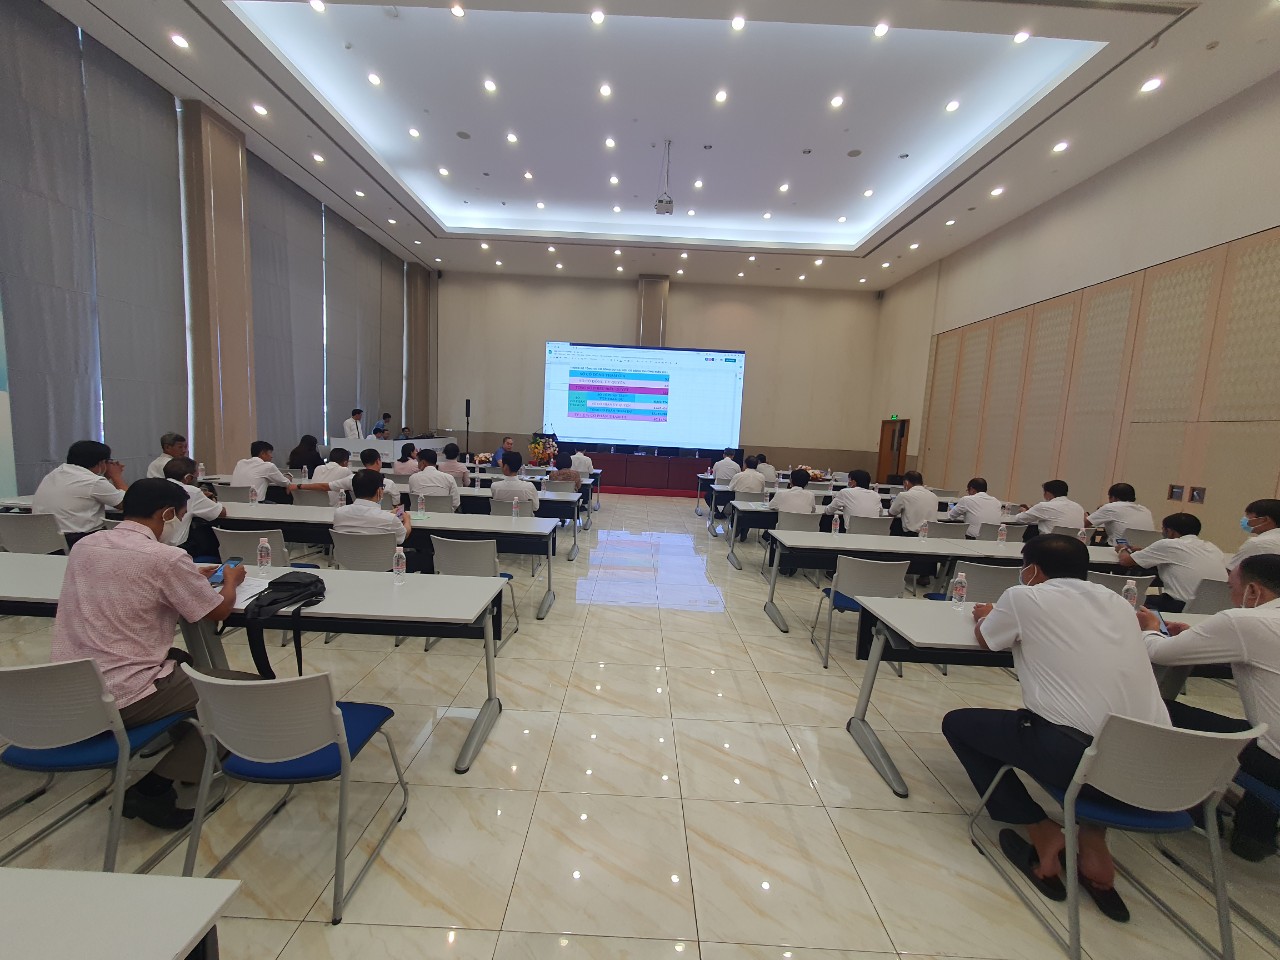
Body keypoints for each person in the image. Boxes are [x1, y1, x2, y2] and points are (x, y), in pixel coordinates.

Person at [942, 535, 1170, 921]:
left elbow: (988, 641)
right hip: (1154, 769)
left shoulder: (1023, 597)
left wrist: (984, 614)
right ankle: (1093, 842)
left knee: (959, 724)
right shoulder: (1117, 602)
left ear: (1032, 570)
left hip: (1075, 754)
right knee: (1104, 731)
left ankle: (1041, 831)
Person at [50, 478, 255, 828]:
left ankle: (190, 745)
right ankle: (155, 789)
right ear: (167, 514)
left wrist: (188, 574)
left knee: (185, 661)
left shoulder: (86, 545)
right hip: (123, 692)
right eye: (182, 516)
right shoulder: (167, 558)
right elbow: (217, 611)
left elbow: (128, 572)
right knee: (246, 694)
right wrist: (231, 581)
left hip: (72, 686)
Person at [1139, 555, 1280, 862]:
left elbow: (1159, 652)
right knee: (1261, 730)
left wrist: (1151, 628)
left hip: (1273, 763)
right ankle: (1254, 834)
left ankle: (1193, 809)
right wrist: (1197, 638)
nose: (1231, 596)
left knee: (1156, 709)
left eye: (1232, 588)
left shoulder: (1244, 621)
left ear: (1253, 591)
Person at [1115, 512, 1227, 613]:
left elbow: (1125, 561)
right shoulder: (1213, 548)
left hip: (1179, 606)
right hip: (1215, 608)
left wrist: (1122, 549)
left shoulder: (1167, 544)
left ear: (1170, 532)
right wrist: (1144, 551)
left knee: (1130, 600)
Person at [32, 440, 127, 548]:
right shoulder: (93, 481)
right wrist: (116, 476)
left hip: (46, 542)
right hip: (79, 542)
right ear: (101, 463)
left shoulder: (53, 474)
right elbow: (129, 503)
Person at [333, 469, 425, 572]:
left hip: (349, 565)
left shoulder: (339, 513)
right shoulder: (389, 519)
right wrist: (407, 519)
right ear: (379, 491)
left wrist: (389, 515)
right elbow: (403, 536)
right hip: (385, 568)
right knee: (425, 558)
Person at [162, 457, 225, 559]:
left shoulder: (154, 488)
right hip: (179, 550)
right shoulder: (191, 491)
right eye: (196, 476)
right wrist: (211, 499)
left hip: (154, 546)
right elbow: (220, 513)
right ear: (188, 478)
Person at [888, 471, 941, 584]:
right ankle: (924, 574)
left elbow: (891, 513)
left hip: (910, 536)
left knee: (895, 527)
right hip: (930, 536)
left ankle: (896, 568)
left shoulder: (904, 495)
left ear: (906, 483)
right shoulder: (934, 496)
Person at [1087, 483, 1155, 545]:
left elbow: (1084, 524)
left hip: (1118, 549)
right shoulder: (1145, 510)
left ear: (1113, 497)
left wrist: (1085, 516)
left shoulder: (1110, 507)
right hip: (1143, 549)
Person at [230, 441, 298, 504]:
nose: (272, 456)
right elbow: (285, 483)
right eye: (270, 452)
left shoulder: (240, 463)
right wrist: (288, 477)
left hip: (233, 504)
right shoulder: (268, 466)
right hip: (255, 505)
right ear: (262, 453)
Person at [1013, 480, 1087, 536]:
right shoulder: (1078, 507)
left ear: (1047, 493)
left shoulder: (1044, 506)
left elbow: (1020, 519)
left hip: (1050, 546)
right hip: (1074, 547)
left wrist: (1024, 511)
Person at [1228, 499, 1280, 570]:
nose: (1244, 520)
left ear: (1264, 520)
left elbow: (1232, 573)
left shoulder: (1258, 544)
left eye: (1248, 516)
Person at [706, 447, 741, 519]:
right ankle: (723, 512)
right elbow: (738, 478)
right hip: (731, 494)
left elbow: (714, 476)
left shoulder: (717, 464)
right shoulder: (737, 466)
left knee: (707, 496)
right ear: (733, 456)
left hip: (717, 493)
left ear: (723, 455)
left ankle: (717, 511)